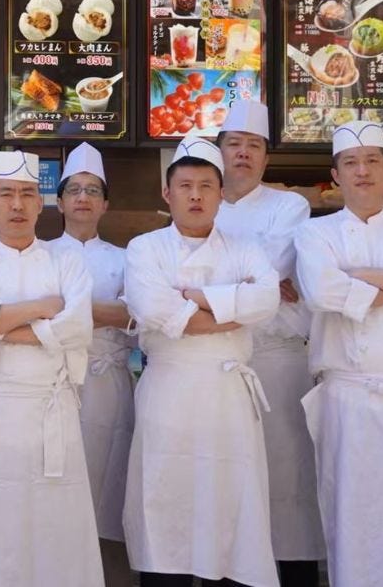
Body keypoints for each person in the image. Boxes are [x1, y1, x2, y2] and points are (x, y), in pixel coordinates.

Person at [123, 137, 280, 587]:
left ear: (220, 193)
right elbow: (153, 307)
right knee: (165, 506)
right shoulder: (144, 248)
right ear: (167, 193)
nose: (196, 195)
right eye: (186, 186)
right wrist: (232, 310)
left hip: (229, 399)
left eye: (206, 186)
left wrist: (193, 298)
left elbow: (266, 299)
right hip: (168, 395)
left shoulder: (245, 248)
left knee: (229, 512)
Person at [0, 149, 101, 587]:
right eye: (6, 194)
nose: (17, 204)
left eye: (27, 194)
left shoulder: (66, 261)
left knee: (58, 531)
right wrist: (43, 307)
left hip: (52, 414)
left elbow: (78, 327)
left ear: (41, 203)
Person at [294, 121, 383, 587]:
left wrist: (360, 275)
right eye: (351, 163)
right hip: (349, 401)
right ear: (336, 176)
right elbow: (323, 292)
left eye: (372, 161)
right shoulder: (316, 234)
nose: (362, 171)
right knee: (355, 516)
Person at [213, 100, 324, 586]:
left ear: (266, 157)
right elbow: (260, 280)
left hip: (280, 367)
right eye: (235, 144)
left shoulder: (289, 206)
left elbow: (269, 270)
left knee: (288, 485)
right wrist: (258, 285)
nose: (243, 153)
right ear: (219, 151)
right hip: (217, 364)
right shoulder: (200, 203)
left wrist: (210, 287)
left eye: (253, 146)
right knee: (229, 486)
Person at [49, 142, 135, 587]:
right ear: (60, 201)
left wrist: (63, 310)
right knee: (55, 495)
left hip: (107, 385)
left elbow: (137, 317)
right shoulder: (39, 254)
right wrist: (105, 311)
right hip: (51, 384)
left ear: (105, 204)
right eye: (74, 190)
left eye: (93, 191)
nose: (83, 197)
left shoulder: (126, 259)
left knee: (108, 492)